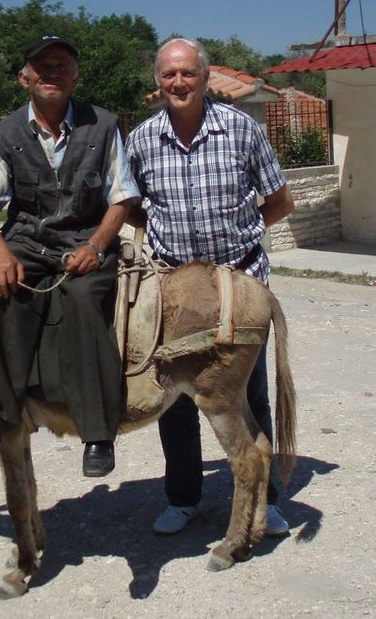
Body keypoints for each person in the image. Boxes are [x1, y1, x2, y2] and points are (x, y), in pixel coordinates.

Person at [0, 34, 139, 478]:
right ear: (24, 77)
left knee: (84, 301)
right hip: (27, 240)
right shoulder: (6, 132)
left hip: (85, 238)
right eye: (41, 66)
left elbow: (121, 199)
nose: (52, 72)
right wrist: (0, 254)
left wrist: (95, 245)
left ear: (76, 75)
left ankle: (98, 433)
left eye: (62, 64)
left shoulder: (103, 125)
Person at [125, 38, 295, 534]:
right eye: (168, 74)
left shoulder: (242, 129)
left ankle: (267, 497)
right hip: (173, 289)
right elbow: (131, 207)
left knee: (250, 394)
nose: (178, 82)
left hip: (239, 281)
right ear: (158, 81)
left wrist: (244, 240)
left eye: (187, 73)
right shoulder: (141, 139)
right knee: (174, 399)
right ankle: (184, 497)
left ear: (203, 77)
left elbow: (280, 201)